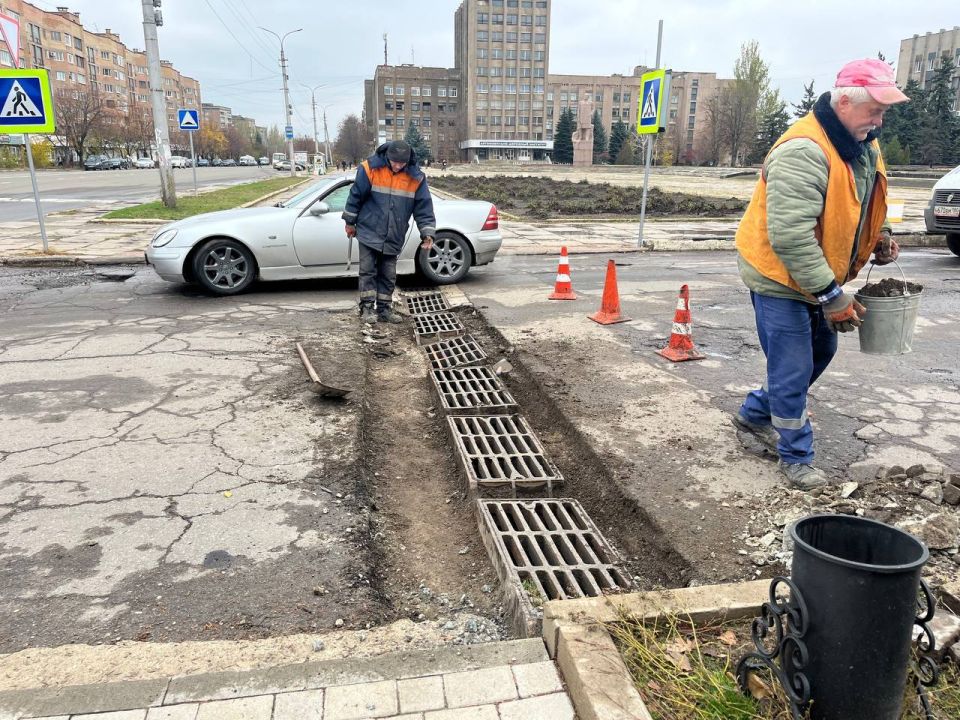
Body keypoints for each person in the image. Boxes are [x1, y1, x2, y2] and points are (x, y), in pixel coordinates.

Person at [733, 58, 908, 490]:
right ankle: (796, 457)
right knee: (792, 367)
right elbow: (790, 238)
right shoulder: (804, 150)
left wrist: (880, 233)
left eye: (884, 111)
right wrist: (833, 297)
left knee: (821, 351)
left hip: (817, 271)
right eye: (874, 110)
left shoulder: (861, 140)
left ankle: (755, 413)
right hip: (778, 275)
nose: (880, 120)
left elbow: (867, 198)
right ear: (844, 101)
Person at [342, 140, 436, 324]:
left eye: (402, 163)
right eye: (394, 162)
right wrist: (350, 222)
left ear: (408, 161)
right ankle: (367, 308)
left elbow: (423, 207)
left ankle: (384, 309)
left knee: (388, 273)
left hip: (395, 233)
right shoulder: (370, 169)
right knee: (368, 271)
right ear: (387, 156)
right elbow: (355, 195)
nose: (397, 166)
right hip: (369, 229)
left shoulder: (415, 177)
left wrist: (427, 233)